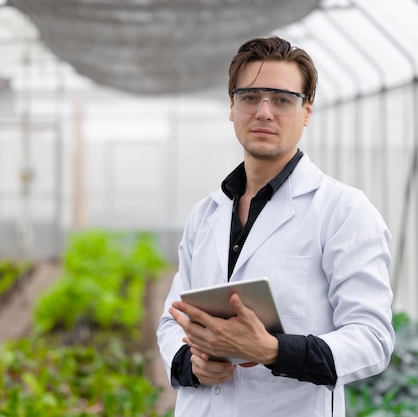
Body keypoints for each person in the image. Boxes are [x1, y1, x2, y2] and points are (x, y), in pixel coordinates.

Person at [156, 36, 395, 417]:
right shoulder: (207, 214)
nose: (264, 112)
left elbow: (372, 338)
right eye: (250, 97)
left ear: (306, 112)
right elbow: (173, 317)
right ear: (232, 107)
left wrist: (271, 350)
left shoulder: (343, 211)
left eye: (283, 100)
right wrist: (192, 362)